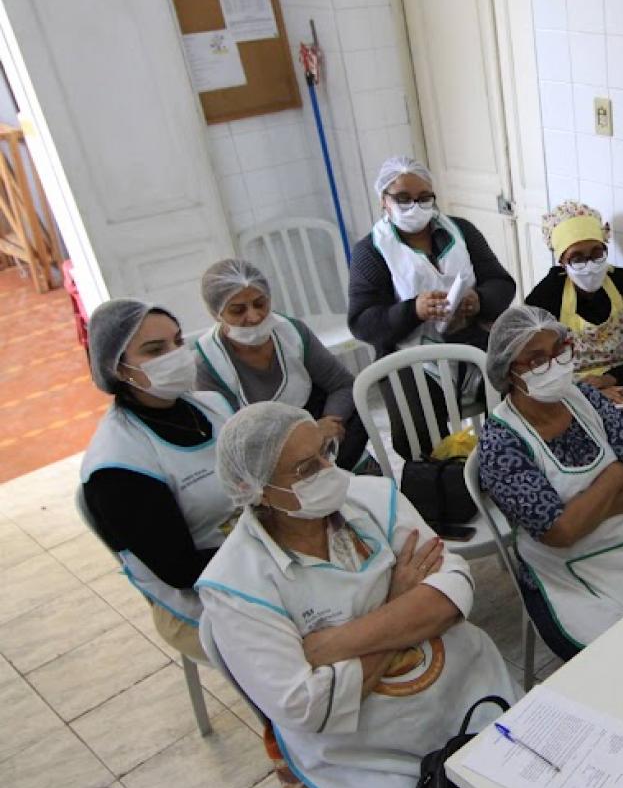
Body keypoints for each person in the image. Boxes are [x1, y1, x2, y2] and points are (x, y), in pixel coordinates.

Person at [196, 402, 517, 788]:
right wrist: (398, 609)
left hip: (465, 692)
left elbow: (453, 589)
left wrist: (329, 645)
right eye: (304, 470)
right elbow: (308, 708)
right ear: (256, 491)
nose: (328, 471)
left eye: (324, 451)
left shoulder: (374, 499)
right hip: (363, 758)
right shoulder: (236, 584)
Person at [478, 306, 623, 649]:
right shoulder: (502, 441)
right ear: (509, 372)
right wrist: (614, 476)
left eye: (559, 351)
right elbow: (560, 533)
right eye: (537, 361)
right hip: (569, 575)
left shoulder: (586, 398)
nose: (554, 365)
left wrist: (584, 514)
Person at [80, 299, 239, 661]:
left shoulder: (212, 407)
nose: (176, 355)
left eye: (177, 342)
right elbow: (180, 570)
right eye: (155, 350)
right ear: (117, 367)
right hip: (201, 597)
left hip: (260, 556)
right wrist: (271, 551)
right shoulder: (119, 462)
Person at [347, 155, 516, 459]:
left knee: (518, 394)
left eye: (424, 198)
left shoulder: (461, 232)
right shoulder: (370, 251)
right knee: (417, 431)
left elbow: (502, 283)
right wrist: (414, 310)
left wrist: (479, 300)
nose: (415, 206)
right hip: (408, 356)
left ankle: (505, 464)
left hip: (473, 340)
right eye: (403, 198)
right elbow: (362, 322)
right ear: (383, 201)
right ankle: (442, 485)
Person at [193, 258, 369, 470]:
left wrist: (327, 423)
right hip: (265, 459)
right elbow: (230, 437)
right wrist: (304, 439)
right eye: (238, 310)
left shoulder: (292, 333)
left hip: (322, 436)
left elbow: (342, 385)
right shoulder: (209, 362)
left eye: (260, 303)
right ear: (216, 314)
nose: (254, 316)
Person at [525, 201, 623, 409]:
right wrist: (591, 392)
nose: (590, 265)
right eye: (577, 259)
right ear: (561, 260)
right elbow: (536, 366)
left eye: (597, 254)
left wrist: (609, 380)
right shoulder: (546, 296)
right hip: (567, 394)